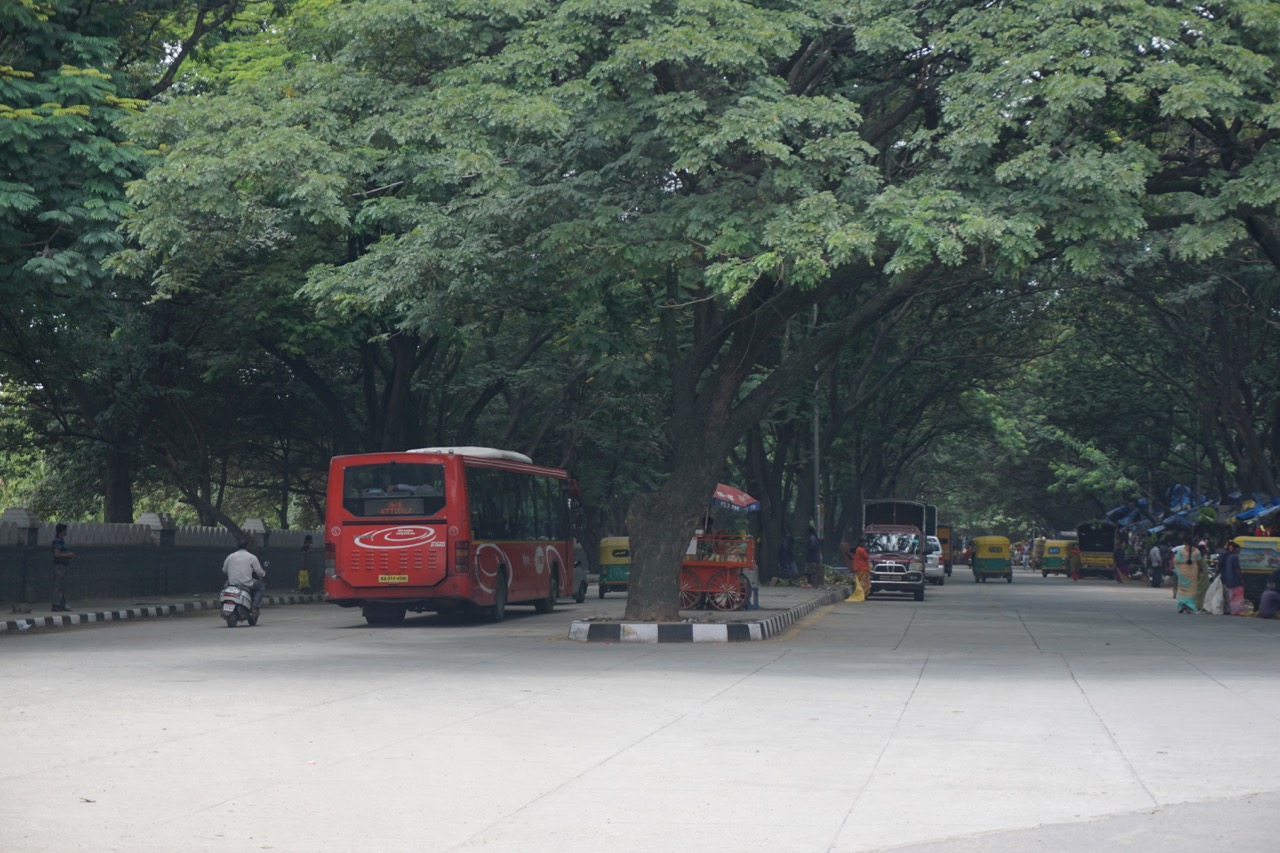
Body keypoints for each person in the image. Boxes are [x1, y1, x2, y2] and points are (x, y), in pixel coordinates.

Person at [223, 539, 267, 614]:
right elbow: (259, 572)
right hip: (246, 583)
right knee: (261, 586)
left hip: (232, 583)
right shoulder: (251, 557)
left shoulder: (230, 556)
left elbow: (224, 570)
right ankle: (254, 607)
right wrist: (264, 574)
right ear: (247, 546)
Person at [1172, 534, 1204, 614]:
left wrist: (1183, 564)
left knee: (1183, 589)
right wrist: (1199, 571)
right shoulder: (1197, 551)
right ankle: (1189, 607)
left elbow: (1176, 560)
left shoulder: (1181, 551)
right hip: (1193, 572)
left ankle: (1183, 604)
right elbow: (1199, 562)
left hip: (1183, 573)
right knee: (1192, 590)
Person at [1217, 540, 1246, 616]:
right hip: (1235, 579)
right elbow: (1237, 568)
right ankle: (1236, 610)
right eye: (1239, 549)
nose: (1240, 550)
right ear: (1235, 549)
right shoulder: (1235, 557)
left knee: (1230, 595)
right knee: (1238, 594)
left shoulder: (1228, 556)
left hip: (1228, 579)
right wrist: (1241, 578)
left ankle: (1230, 609)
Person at [50, 523, 75, 611]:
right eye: (65, 530)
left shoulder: (61, 540)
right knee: (58, 585)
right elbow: (56, 554)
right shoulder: (58, 541)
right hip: (59, 566)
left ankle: (61, 604)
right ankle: (56, 604)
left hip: (63, 566)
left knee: (62, 585)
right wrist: (68, 555)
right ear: (62, 531)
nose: (66, 532)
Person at [852, 534, 871, 599]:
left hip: (859, 568)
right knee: (864, 583)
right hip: (862, 568)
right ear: (861, 543)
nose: (864, 544)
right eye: (864, 542)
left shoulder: (858, 549)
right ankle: (864, 594)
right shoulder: (861, 550)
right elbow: (866, 557)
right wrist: (867, 551)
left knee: (860, 582)